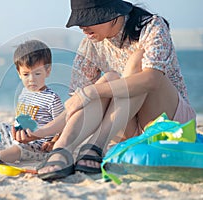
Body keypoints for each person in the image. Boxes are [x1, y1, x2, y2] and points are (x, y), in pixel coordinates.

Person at [13, 0, 196, 181]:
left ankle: (96, 145)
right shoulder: (90, 44)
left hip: (166, 120)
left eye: (89, 19)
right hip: (123, 124)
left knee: (136, 62)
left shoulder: (152, 26)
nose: (83, 27)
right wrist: (46, 134)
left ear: (112, 14)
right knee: (110, 78)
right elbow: (78, 103)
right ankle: (64, 150)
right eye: (79, 21)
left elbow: (152, 79)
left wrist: (91, 92)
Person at [0, 40, 64, 163]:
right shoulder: (24, 92)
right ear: (19, 73)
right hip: (20, 136)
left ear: (47, 71)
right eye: (26, 74)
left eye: (37, 73)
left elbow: (63, 125)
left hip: (38, 145)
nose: (32, 79)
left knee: (18, 149)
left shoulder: (52, 99)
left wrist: (53, 142)